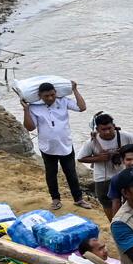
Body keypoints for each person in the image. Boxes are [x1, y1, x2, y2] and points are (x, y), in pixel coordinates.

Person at [21, 81, 94, 211]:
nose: (50, 98)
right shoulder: (34, 107)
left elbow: (82, 107)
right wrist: (26, 110)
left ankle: (78, 199)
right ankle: (55, 200)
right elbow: (30, 127)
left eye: (52, 94)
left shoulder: (63, 101)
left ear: (56, 93)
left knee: (71, 173)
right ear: (40, 96)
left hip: (65, 144)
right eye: (46, 96)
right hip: (47, 147)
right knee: (51, 174)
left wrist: (75, 90)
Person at [78, 112, 133, 219]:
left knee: (129, 200)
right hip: (103, 178)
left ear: (114, 126)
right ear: (97, 129)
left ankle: (131, 222)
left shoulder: (125, 136)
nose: (107, 132)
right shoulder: (91, 142)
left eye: (109, 128)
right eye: (103, 129)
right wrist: (98, 158)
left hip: (123, 174)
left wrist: (124, 154)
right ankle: (113, 224)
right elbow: (81, 158)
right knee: (106, 203)